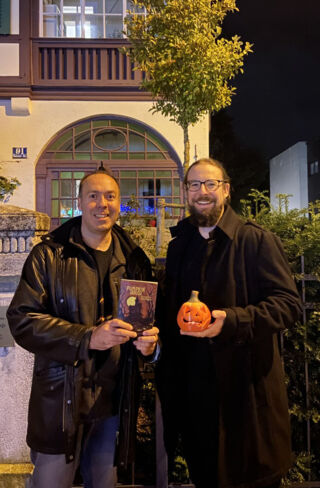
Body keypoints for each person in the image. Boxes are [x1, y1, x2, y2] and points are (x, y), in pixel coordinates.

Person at [7, 167, 159, 488]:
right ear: (79, 202)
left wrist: (151, 347)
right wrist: (88, 337)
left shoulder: (135, 260)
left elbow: (146, 325)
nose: (102, 204)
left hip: (113, 403)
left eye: (110, 196)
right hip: (61, 402)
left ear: (120, 203)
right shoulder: (49, 255)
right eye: (93, 196)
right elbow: (22, 320)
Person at [156, 158, 302, 488]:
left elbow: (288, 305)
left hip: (249, 403)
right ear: (186, 192)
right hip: (199, 405)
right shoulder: (180, 248)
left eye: (211, 184)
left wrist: (233, 320)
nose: (202, 192)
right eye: (195, 185)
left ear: (226, 190)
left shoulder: (256, 242)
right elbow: (170, 318)